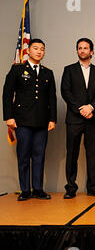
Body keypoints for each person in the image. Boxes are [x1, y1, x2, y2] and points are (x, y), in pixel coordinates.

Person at [2, 38, 57, 201]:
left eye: (42, 49)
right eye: (36, 48)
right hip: (22, 120)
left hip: (42, 121)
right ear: (28, 50)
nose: (39, 51)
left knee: (39, 155)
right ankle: (25, 189)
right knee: (24, 155)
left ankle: (38, 189)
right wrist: (8, 117)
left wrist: (52, 119)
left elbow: (51, 98)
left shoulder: (48, 72)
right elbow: (7, 94)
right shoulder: (17, 69)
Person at [61, 38, 95, 199]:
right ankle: (71, 188)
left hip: (93, 119)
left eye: (85, 48)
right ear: (77, 51)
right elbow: (65, 92)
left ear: (91, 51)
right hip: (74, 118)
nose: (82, 50)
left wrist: (91, 107)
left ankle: (92, 187)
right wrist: (81, 109)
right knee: (72, 153)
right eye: (79, 48)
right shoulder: (69, 70)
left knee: (92, 154)